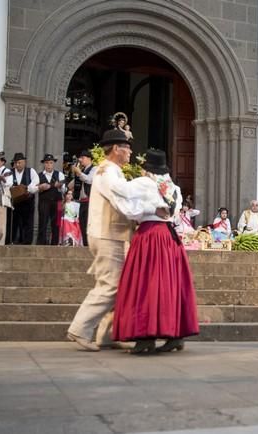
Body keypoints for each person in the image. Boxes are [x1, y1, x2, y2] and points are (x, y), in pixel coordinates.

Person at [67, 129, 170, 351]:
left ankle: (107, 334)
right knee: (111, 284)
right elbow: (122, 202)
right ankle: (79, 329)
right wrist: (152, 203)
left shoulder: (113, 171)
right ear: (116, 149)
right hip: (106, 234)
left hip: (112, 233)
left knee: (120, 284)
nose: (131, 151)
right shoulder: (106, 173)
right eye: (127, 147)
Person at [113, 148, 198, 353]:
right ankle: (175, 336)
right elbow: (175, 216)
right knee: (170, 285)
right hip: (169, 239)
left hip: (150, 236)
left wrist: (108, 168)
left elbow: (118, 191)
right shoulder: (174, 188)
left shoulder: (144, 183)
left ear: (147, 168)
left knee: (146, 285)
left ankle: (146, 337)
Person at [10, 152, 39, 245]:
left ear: (24, 162)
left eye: (20, 162)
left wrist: (27, 189)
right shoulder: (10, 172)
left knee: (28, 222)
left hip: (27, 201)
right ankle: (14, 240)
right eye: (16, 163)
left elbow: (36, 182)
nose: (18, 165)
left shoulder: (31, 171)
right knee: (15, 221)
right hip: (15, 201)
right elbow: (8, 184)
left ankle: (27, 241)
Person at [37, 153, 66, 245]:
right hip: (44, 202)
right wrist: (40, 187)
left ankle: (55, 244)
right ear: (44, 164)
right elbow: (33, 188)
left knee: (56, 224)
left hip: (57, 202)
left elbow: (64, 189)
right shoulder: (39, 175)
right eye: (47, 163)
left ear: (53, 164)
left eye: (50, 163)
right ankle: (41, 244)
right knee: (43, 223)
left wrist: (60, 186)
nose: (49, 165)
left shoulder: (59, 174)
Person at [70, 149, 96, 246]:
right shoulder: (82, 170)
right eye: (80, 158)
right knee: (82, 225)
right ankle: (85, 246)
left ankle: (90, 246)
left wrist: (79, 173)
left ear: (89, 159)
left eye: (83, 158)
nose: (81, 160)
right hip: (82, 201)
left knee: (88, 226)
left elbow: (89, 180)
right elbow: (72, 185)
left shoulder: (94, 168)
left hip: (90, 201)